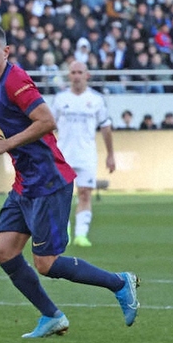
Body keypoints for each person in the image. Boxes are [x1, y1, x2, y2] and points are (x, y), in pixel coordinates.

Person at [0, 24, 139, 339]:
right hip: (24, 185)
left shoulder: (15, 80)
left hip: (48, 181)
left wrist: (7, 144)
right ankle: (52, 316)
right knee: (4, 252)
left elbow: (47, 120)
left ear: (5, 52)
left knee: (46, 263)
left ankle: (119, 282)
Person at [51, 61, 115, 248]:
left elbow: (106, 127)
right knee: (61, 196)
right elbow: (48, 126)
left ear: (87, 75)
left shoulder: (96, 99)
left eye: (80, 72)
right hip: (63, 155)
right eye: (73, 72)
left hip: (86, 155)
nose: (77, 76)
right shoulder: (60, 99)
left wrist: (110, 154)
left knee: (85, 194)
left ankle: (81, 235)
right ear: (69, 75)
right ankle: (65, 233)